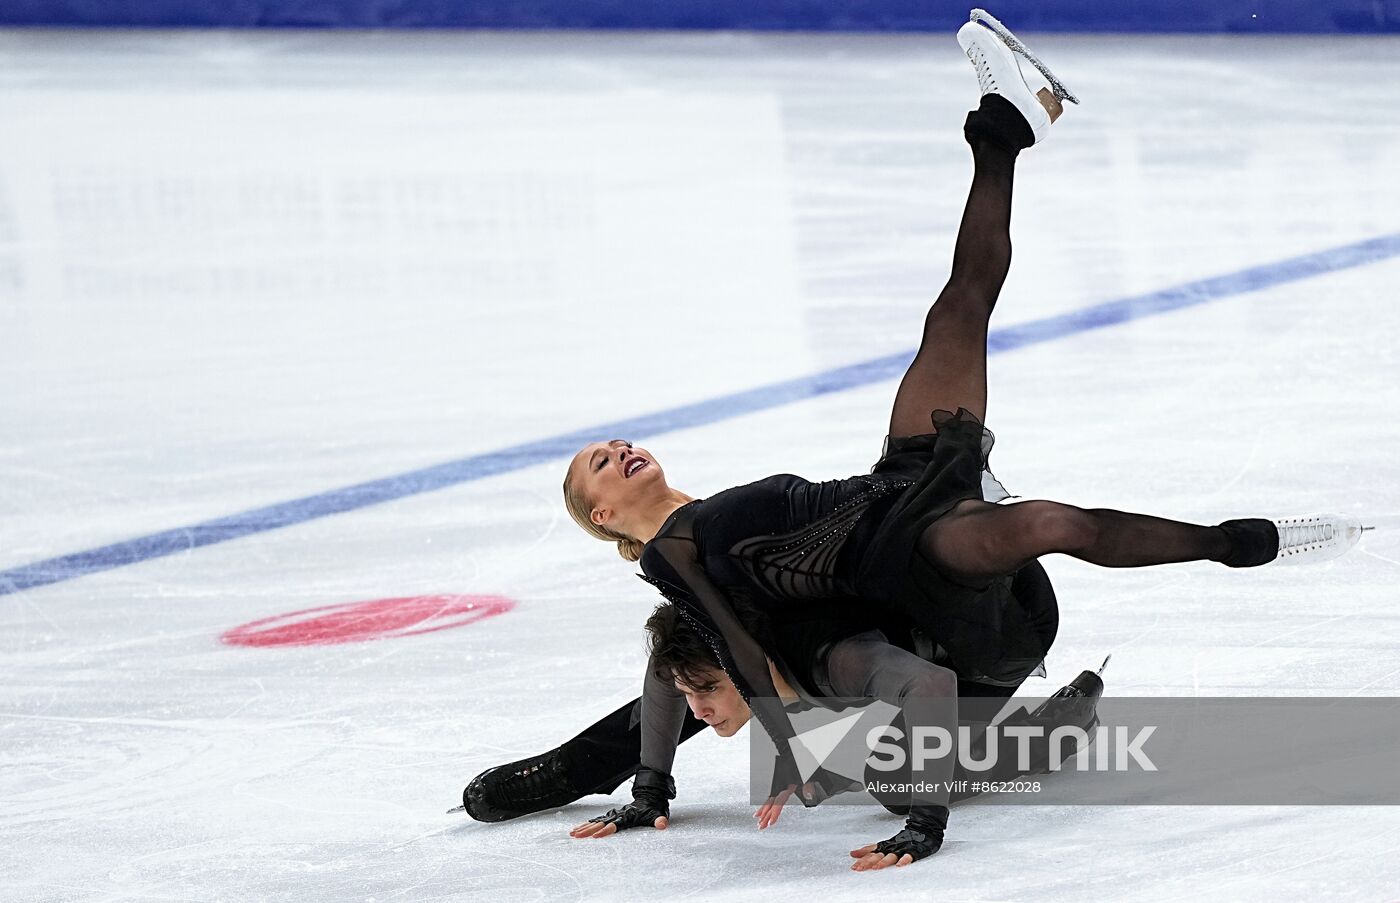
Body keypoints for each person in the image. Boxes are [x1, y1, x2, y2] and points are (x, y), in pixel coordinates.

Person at [557, 8, 1364, 866]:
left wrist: (672, 777)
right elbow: (728, 646)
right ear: (604, 515)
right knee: (1059, 524)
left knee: (959, 308)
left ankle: (1007, 123)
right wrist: (766, 753)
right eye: (598, 465)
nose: (618, 449)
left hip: (898, 481)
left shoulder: (697, 529)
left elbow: (684, 654)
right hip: (907, 551)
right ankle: (1252, 542)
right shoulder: (674, 558)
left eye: (614, 441)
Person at [565, 603, 1104, 872]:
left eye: (707, 689)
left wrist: (926, 824)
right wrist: (649, 790)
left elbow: (931, 685)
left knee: (898, 783)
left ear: (742, 664)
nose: (698, 711)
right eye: (689, 693)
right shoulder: (731, 646)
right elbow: (667, 673)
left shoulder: (826, 659)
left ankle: (1050, 731)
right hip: (932, 633)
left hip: (1001, 625)